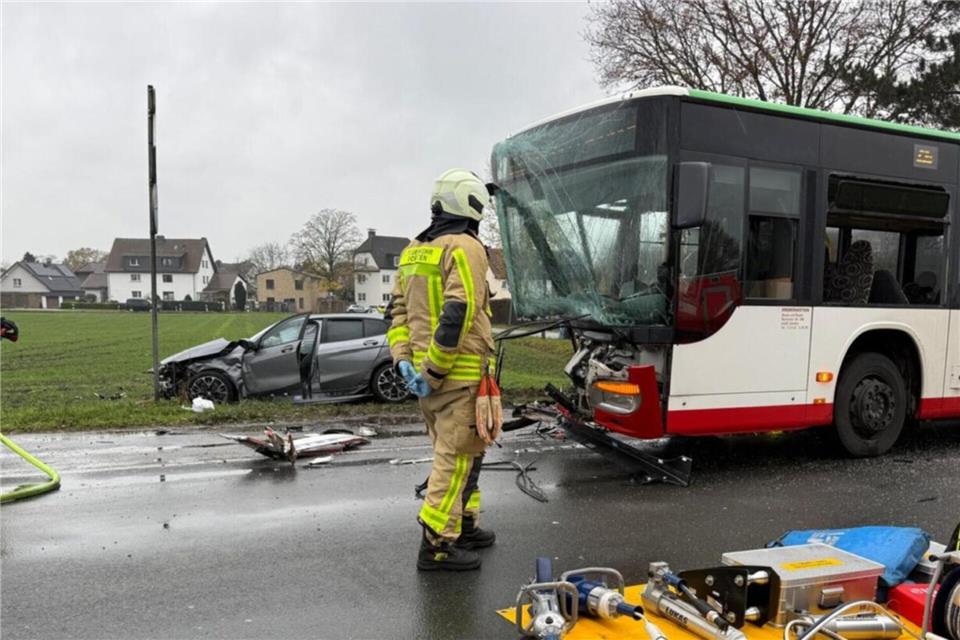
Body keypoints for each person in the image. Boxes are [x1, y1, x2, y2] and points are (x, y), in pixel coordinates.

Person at [385, 168, 499, 571]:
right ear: (471, 205)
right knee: (454, 460)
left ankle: (464, 524)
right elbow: (459, 310)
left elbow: (396, 313)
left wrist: (403, 361)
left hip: (426, 380)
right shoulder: (466, 246)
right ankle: (437, 545)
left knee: (465, 454)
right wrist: (435, 369)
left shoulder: (414, 249)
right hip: (456, 375)